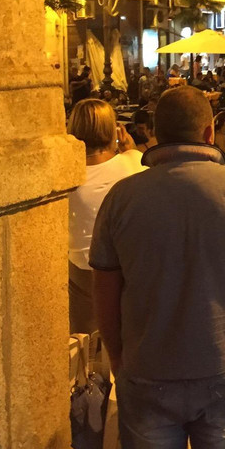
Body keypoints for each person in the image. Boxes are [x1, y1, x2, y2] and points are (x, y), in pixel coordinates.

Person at [89, 86, 225, 449]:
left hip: (148, 367)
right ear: (209, 133)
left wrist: (118, 355)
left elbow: (105, 289)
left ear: (155, 134)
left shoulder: (122, 198)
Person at [66, 99, 145, 334]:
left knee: (85, 336)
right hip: (126, 266)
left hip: (82, 267)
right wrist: (130, 148)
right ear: (113, 130)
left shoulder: (68, 174)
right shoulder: (134, 163)